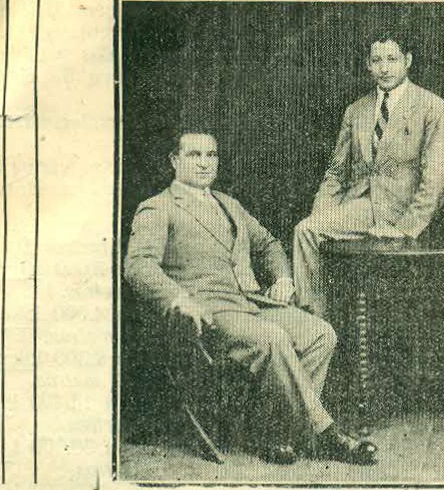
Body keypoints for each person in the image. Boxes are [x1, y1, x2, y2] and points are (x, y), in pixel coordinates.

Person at [124, 128, 378, 466]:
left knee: (321, 334)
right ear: (174, 161)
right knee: (273, 339)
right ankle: (324, 433)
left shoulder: (230, 205)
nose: (204, 164)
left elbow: (269, 245)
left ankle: (278, 433)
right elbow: (138, 265)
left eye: (210, 156)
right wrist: (178, 298)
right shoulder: (158, 208)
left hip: (250, 303)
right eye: (193, 155)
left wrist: (284, 279)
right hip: (209, 314)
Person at [293, 33, 444, 319]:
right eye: (377, 60)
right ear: (368, 65)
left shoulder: (432, 106)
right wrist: (323, 214)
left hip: (403, 211)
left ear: (408, 61)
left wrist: (405, 227)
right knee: (307, 229)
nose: (385, 68)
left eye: (392, 59)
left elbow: (438, 178)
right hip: (362, 206)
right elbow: (336, 172)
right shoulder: (356, 110)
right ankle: (315, 324)